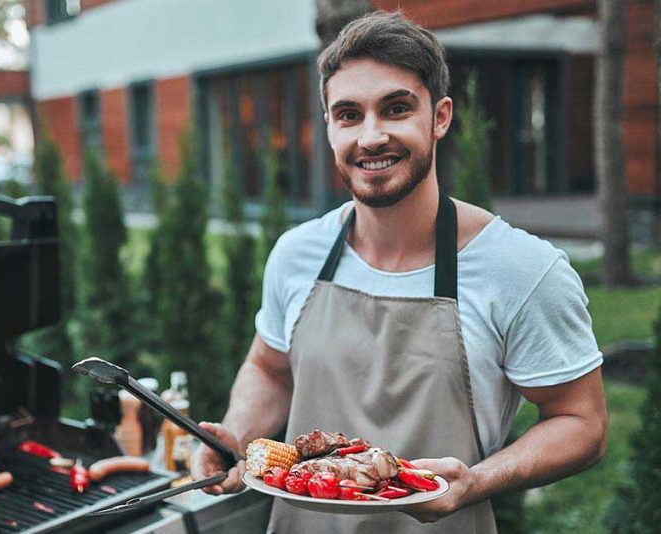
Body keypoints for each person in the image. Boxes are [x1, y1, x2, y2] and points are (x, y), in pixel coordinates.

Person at [190, 11, 608, 534]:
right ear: (328, 125)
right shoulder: (297, 252)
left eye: (395, 109)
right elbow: (270, 369)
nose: (370, 137)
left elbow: (582, 424)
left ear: (440, 117)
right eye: (348, 114)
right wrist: (234, 434)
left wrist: (478, 481)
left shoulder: (522, 269)